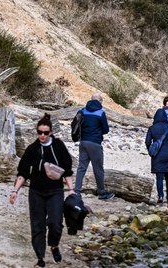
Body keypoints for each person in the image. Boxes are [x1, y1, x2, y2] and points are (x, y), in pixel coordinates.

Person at [9, 114, 75, 268]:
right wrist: (15, 191)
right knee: (37, 226)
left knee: (55, 223)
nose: (42, 136)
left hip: (55, 191)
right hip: (36, 192)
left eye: (45, 133)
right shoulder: (32, 149)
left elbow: (67, 170)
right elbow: (23, 172)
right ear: (37, 132)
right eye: (39, 132)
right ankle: (40, 259)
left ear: (51, 132)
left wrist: (71, 190)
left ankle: (54, 245)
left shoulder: (58, 146)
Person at [74, 93, 114, 200]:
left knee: (81, 167)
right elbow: (105, 130)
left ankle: (76, 191)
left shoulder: (82, 110)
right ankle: (102, 193)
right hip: (95, 143)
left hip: (83, 142)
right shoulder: (101, 113)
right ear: (100, 101)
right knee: (98, 169)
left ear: (91, 100)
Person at [145, 108, 168, 205]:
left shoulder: (152, 128)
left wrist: (151, 150)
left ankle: (160, 196)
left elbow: (147, 142)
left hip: (157, 155)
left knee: (159, 177)